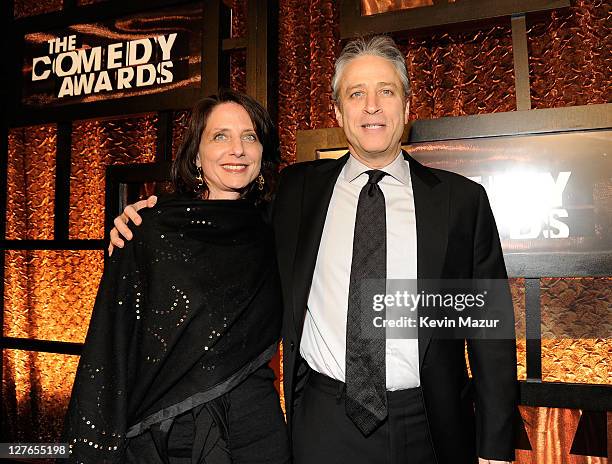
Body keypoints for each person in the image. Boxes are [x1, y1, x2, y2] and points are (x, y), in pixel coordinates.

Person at [110, 36, 518, 464]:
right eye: (356, 94)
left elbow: (490, 334)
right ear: (338, 111)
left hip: (430, 426)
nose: (372, 106)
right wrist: (150, 219)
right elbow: (224, 229)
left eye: (386, 91)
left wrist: (495, 445)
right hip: (322, 423)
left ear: (407, 105)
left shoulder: (460, 202)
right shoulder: (297, 191)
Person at [65, 89, 290, 464]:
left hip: (259, 423)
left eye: (249, 136)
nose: (237, 149)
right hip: (178, 427)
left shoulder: (278, 227)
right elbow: (116, 339)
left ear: (261, 153)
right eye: (220, 136)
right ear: (197, 155)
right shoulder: (153, 228)